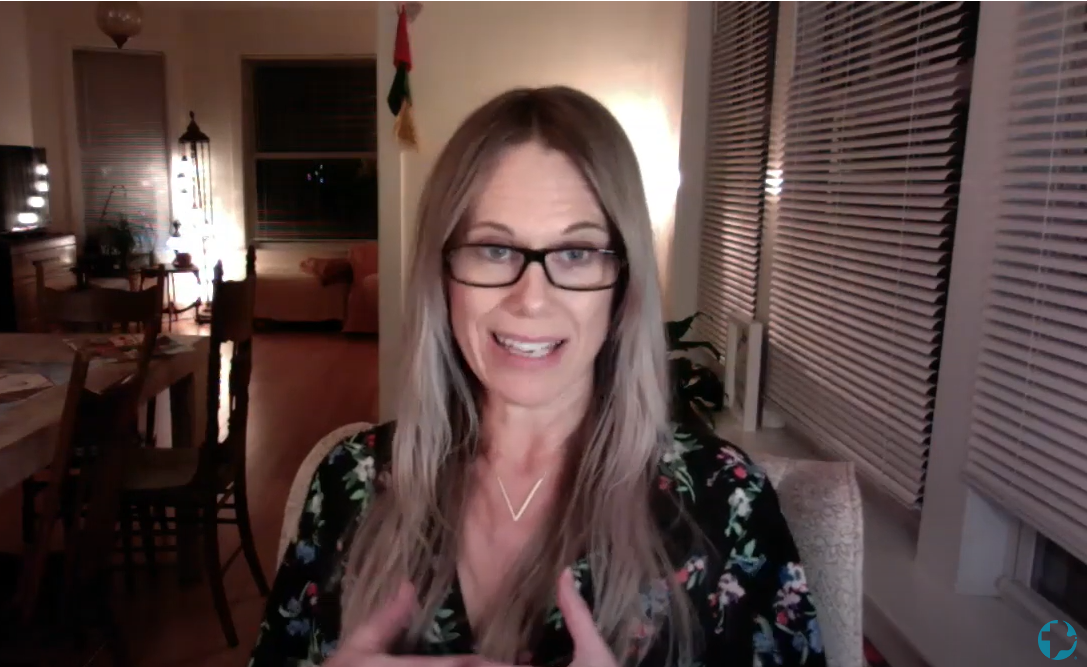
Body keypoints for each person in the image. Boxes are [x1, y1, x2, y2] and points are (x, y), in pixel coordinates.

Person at [248, 86, 827, 667]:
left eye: (576, 254)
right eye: (495, 249)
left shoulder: (727, 502)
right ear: (442, 275)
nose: (531, 299)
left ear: (622, 284)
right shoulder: (348, 483)